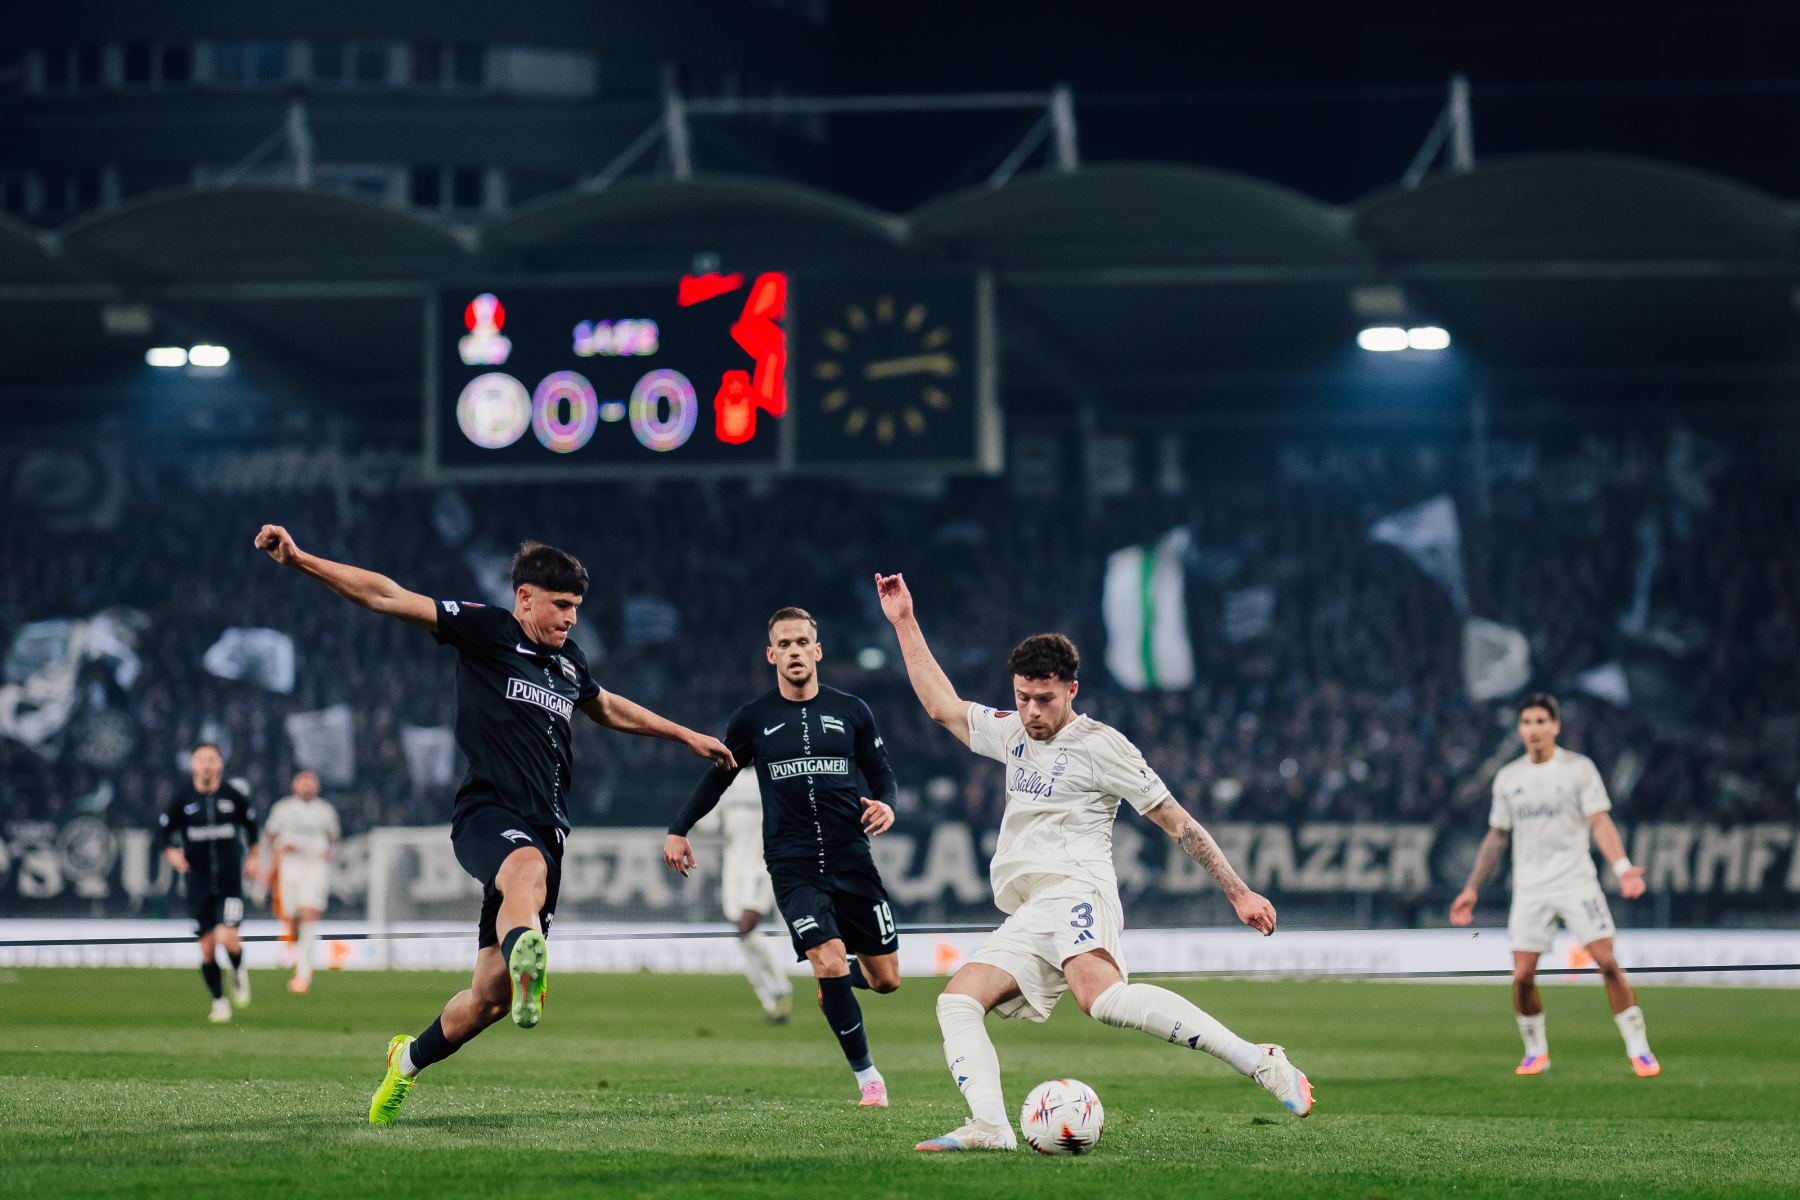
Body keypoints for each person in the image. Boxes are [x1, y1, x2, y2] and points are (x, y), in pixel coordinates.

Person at [253, 526, 732, 1124]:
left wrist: (684, 734)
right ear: (525, 598)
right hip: (487, 812)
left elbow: (605, 705)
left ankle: (406, 1061)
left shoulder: (568, 664)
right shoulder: (488, 631)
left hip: (549, 827)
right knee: (523, 870)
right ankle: (527, 946)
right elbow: (386, 596)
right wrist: (300, 559)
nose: (571, 620)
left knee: (490, 998)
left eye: (577, 608)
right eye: (561, 606)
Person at [875, 572, 1314, 1153]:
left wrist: (1238, 891)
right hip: (1033, 908)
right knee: (957, 1000)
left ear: (1071, 691)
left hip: (1080, 887)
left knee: (1100, 999)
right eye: (1023, 697)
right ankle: (990, 1126)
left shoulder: (1102, 746)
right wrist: (905, 621)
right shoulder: (1011, 734)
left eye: (1045, 699)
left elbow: (1178, 821)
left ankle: (1260, 1061)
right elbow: (942, 707)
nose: (1032, 711)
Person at [663, 606, 901, 1108]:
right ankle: (869, 1079)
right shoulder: (753, 720)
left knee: (886, 980)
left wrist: (887, 804)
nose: (794, 652)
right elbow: (717, 778)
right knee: (831, 960)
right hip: (792, 866)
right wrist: (678, 828)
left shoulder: (853, 710)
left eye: (802, 643)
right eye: (784, 645)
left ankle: (831, 987)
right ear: (772, 655)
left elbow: (882, 773)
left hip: (852, 860)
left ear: (817, 651)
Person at [1451, 692, 1660, 1077]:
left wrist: (1623, 867)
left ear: (1556, 726)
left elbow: (1600, 821)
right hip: (1530, 889)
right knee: (1522, 976)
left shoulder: (1579, 770)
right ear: (1520, 728)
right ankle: (1536, 1051)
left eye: (1540, 722)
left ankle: (1639, 1047)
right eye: (1526, 722)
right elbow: (1497, 837)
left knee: (1607, 962)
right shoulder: (1509, 778)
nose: (1533, 730)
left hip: (1576, 883)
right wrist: (1471, 887)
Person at [158, 743, 260, 1023]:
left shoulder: (233, 797)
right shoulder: (182, 800)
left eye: (211, 759)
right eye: (201, 759)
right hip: (198, 883)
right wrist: (172, 855)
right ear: (192, 764)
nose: (206, 765)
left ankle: (238, 969)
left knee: (228, 938)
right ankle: (219, 1001)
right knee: (206, 948)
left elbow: (252, 829)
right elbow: (164, 835)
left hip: (229, 883)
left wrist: (253, 858)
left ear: (220, 765)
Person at [692, 769, 794, 1023]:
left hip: (761, 866)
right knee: (741, 935)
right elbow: (711, 822)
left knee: (746, 926)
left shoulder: (769, 778)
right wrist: (693, 814)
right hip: (733, 869)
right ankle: (769, 998)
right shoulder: (728, 783)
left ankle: (781, 985)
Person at [260, 770, 341, 994]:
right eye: (302, 782)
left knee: (309, 914)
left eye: (310, 782)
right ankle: (299, 953)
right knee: (292, 918)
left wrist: (328, 853)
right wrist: (268, 864)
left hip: (315, 866)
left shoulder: (325, 810)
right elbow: (269, 835)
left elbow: (334, 838)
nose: (307, 786)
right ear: (295, 785)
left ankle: (303, 974)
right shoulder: (283, 809)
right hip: (290, 866)